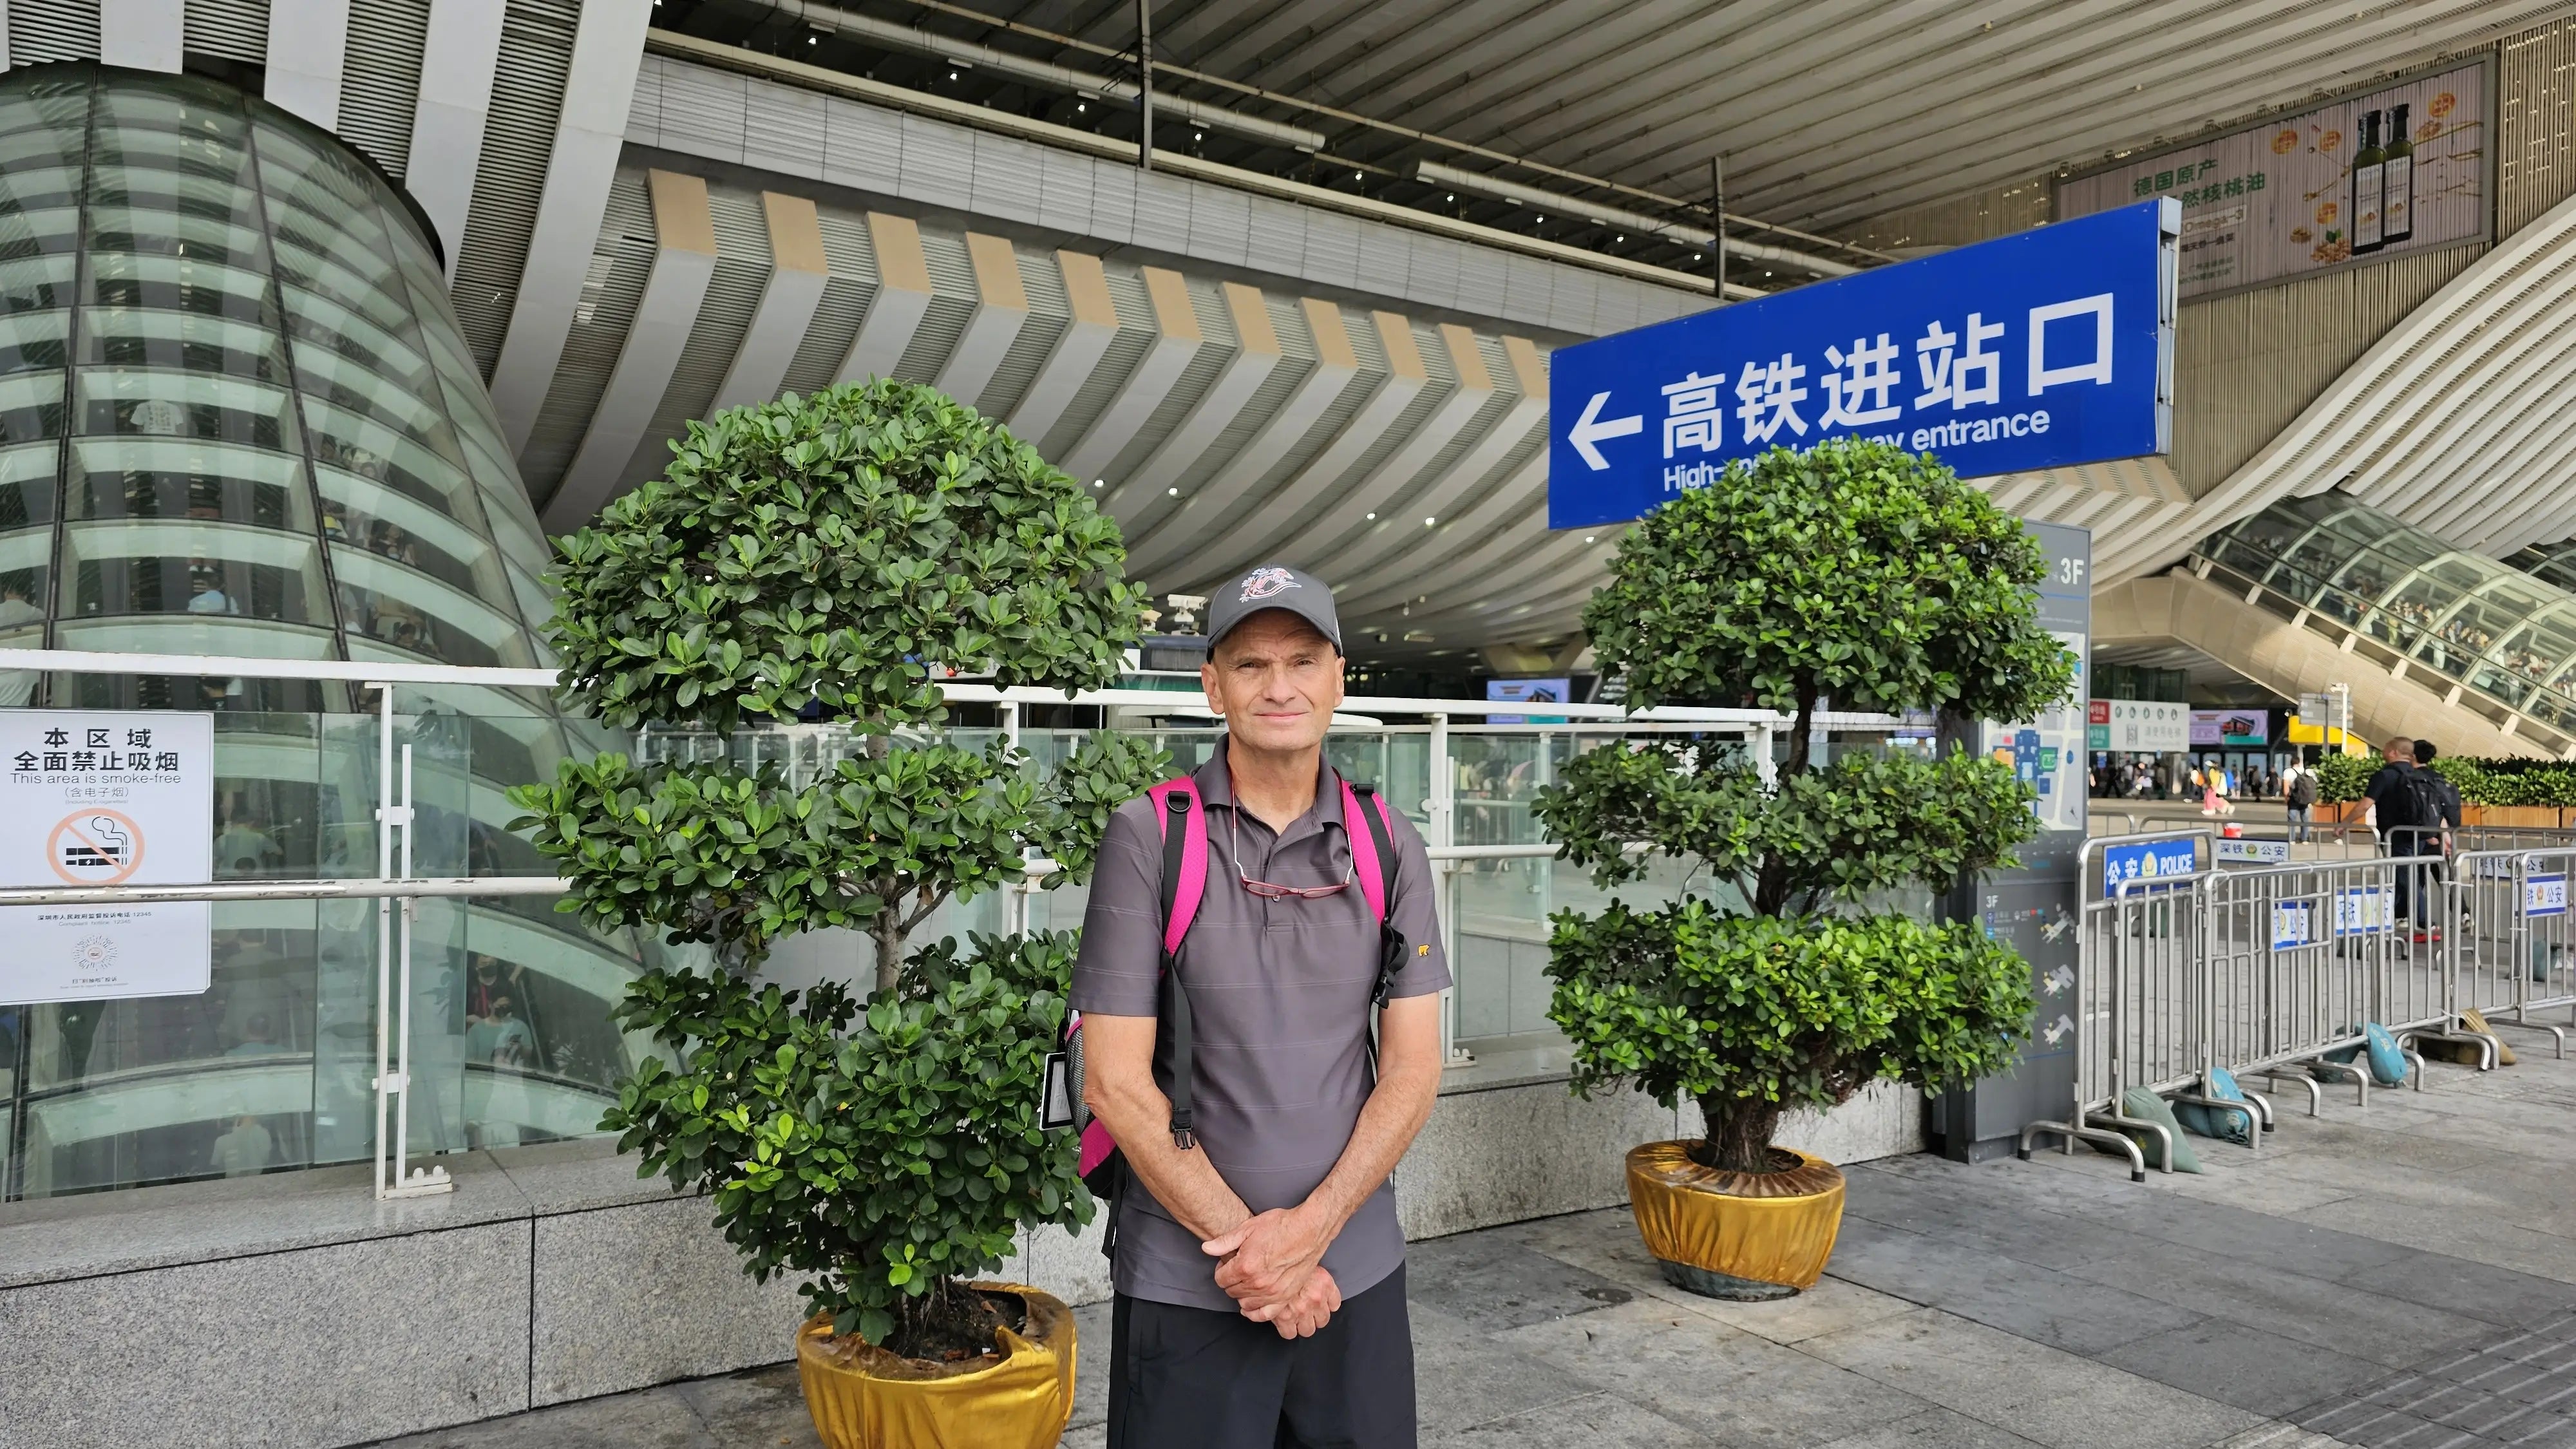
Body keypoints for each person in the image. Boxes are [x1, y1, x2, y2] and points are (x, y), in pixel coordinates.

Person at [1076, 564, 1447, 1449]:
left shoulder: (1389, 842)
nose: (1279, 687)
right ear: (1213, 686)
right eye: (1250, 664)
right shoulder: (1149, 835)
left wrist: (1310, 1234)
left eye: (1302, 660)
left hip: (1353, 1273)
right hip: (1188, 1283)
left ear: (1338, 678)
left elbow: (1412, 1066)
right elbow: (1114, 1083)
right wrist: (1260, 1257)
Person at [2365, 736, 2443, 939]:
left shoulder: (2385, 775)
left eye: (2385, 748)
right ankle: (2398, 915)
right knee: (2404, 878)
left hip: (2396, 837)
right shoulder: (2419, 775)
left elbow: (2366, 804)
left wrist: (2344, 824)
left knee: (2407, 879)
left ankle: (2425, 923)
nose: (2383, 751)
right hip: (2419, 836)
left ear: (2393, 752)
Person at [2416, 739, 2469, 922]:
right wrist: (2445, 835)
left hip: (2422, 835)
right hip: (2441, 835)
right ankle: (2463, 913)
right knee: (2445, 876)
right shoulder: (2439, 779)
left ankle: (2417, 918)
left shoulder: (2415, 780)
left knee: (2414, 879)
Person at [2286, 762, 2318, 843]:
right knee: (2305, 819)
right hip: (2306, 800)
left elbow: (2288, 787)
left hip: (2294, 800)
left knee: (2292, 819)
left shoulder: (2289, 771)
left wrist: (2286, 798)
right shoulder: (2308, 772)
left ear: (2291, 763)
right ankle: (2305, 839)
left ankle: (2292, 839)